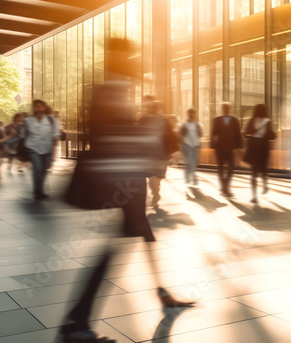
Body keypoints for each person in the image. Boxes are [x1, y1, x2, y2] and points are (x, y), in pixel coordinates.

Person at [60, 38, 193, 343]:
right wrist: (146, 134)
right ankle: (76, 324)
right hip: (117, 181)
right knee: (117, 247)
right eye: (128, 59)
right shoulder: (107, 92)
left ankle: (160, 294)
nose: (133, 64)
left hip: (125, 181)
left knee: (138, 236)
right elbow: (107, 137)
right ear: (120, 62)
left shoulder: (113, 91)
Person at [139, 99, 177, 207]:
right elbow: (170, 137)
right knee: (157, 175)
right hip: (161, 152)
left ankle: (155, 193)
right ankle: (156, 193)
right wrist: (171, 152)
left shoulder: (143, 119)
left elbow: (138, 134)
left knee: (151, 175)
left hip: (148, 153)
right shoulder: (164, 120)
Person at [20, 100, 59, 200]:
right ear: (33, 108)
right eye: (36, 107)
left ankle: (39, 189)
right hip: (32, 147)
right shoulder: (28, 121)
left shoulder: (52, 120)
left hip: (47, 148)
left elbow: (55, 136)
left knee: (44, 169)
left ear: (45, 108)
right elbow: (23, 135)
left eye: (41, 107)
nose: (38, 109)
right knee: (37, 168)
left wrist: (53, 152)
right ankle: (38, 192)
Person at [243, 103, 275, 204]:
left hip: (253, 149)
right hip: (264, 149)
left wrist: (251, 135)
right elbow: (271, 135)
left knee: (254, 173)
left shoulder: (251, 120)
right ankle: (265, 184)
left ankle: (254, 196)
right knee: (263, 169)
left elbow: (245, 133)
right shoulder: (267, 122)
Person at [211, 102, 242, 197]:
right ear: (222, 109)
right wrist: (213, 146)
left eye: (227, 108)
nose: (226, 110)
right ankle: (225, 186)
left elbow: (238, 134)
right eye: (224, 108)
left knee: (231, 167)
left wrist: (239, 147)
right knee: (220, 168)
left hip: (231, 148)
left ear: (230, 109)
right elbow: (213, 133)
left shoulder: (235, 120)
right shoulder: (217, 120)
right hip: (219, 148)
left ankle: (225, 185)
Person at [179, 108, 203, 188]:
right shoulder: (184, 124)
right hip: (187, 145)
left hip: (195, 145)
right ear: (188, 114)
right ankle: (191, 178)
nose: (192, 115)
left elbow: (201, 134)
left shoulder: (197, 124)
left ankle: (190, 177)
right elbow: (180, 133)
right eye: (191, 113)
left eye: (193, 113)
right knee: (189, 163)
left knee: (194, 163)